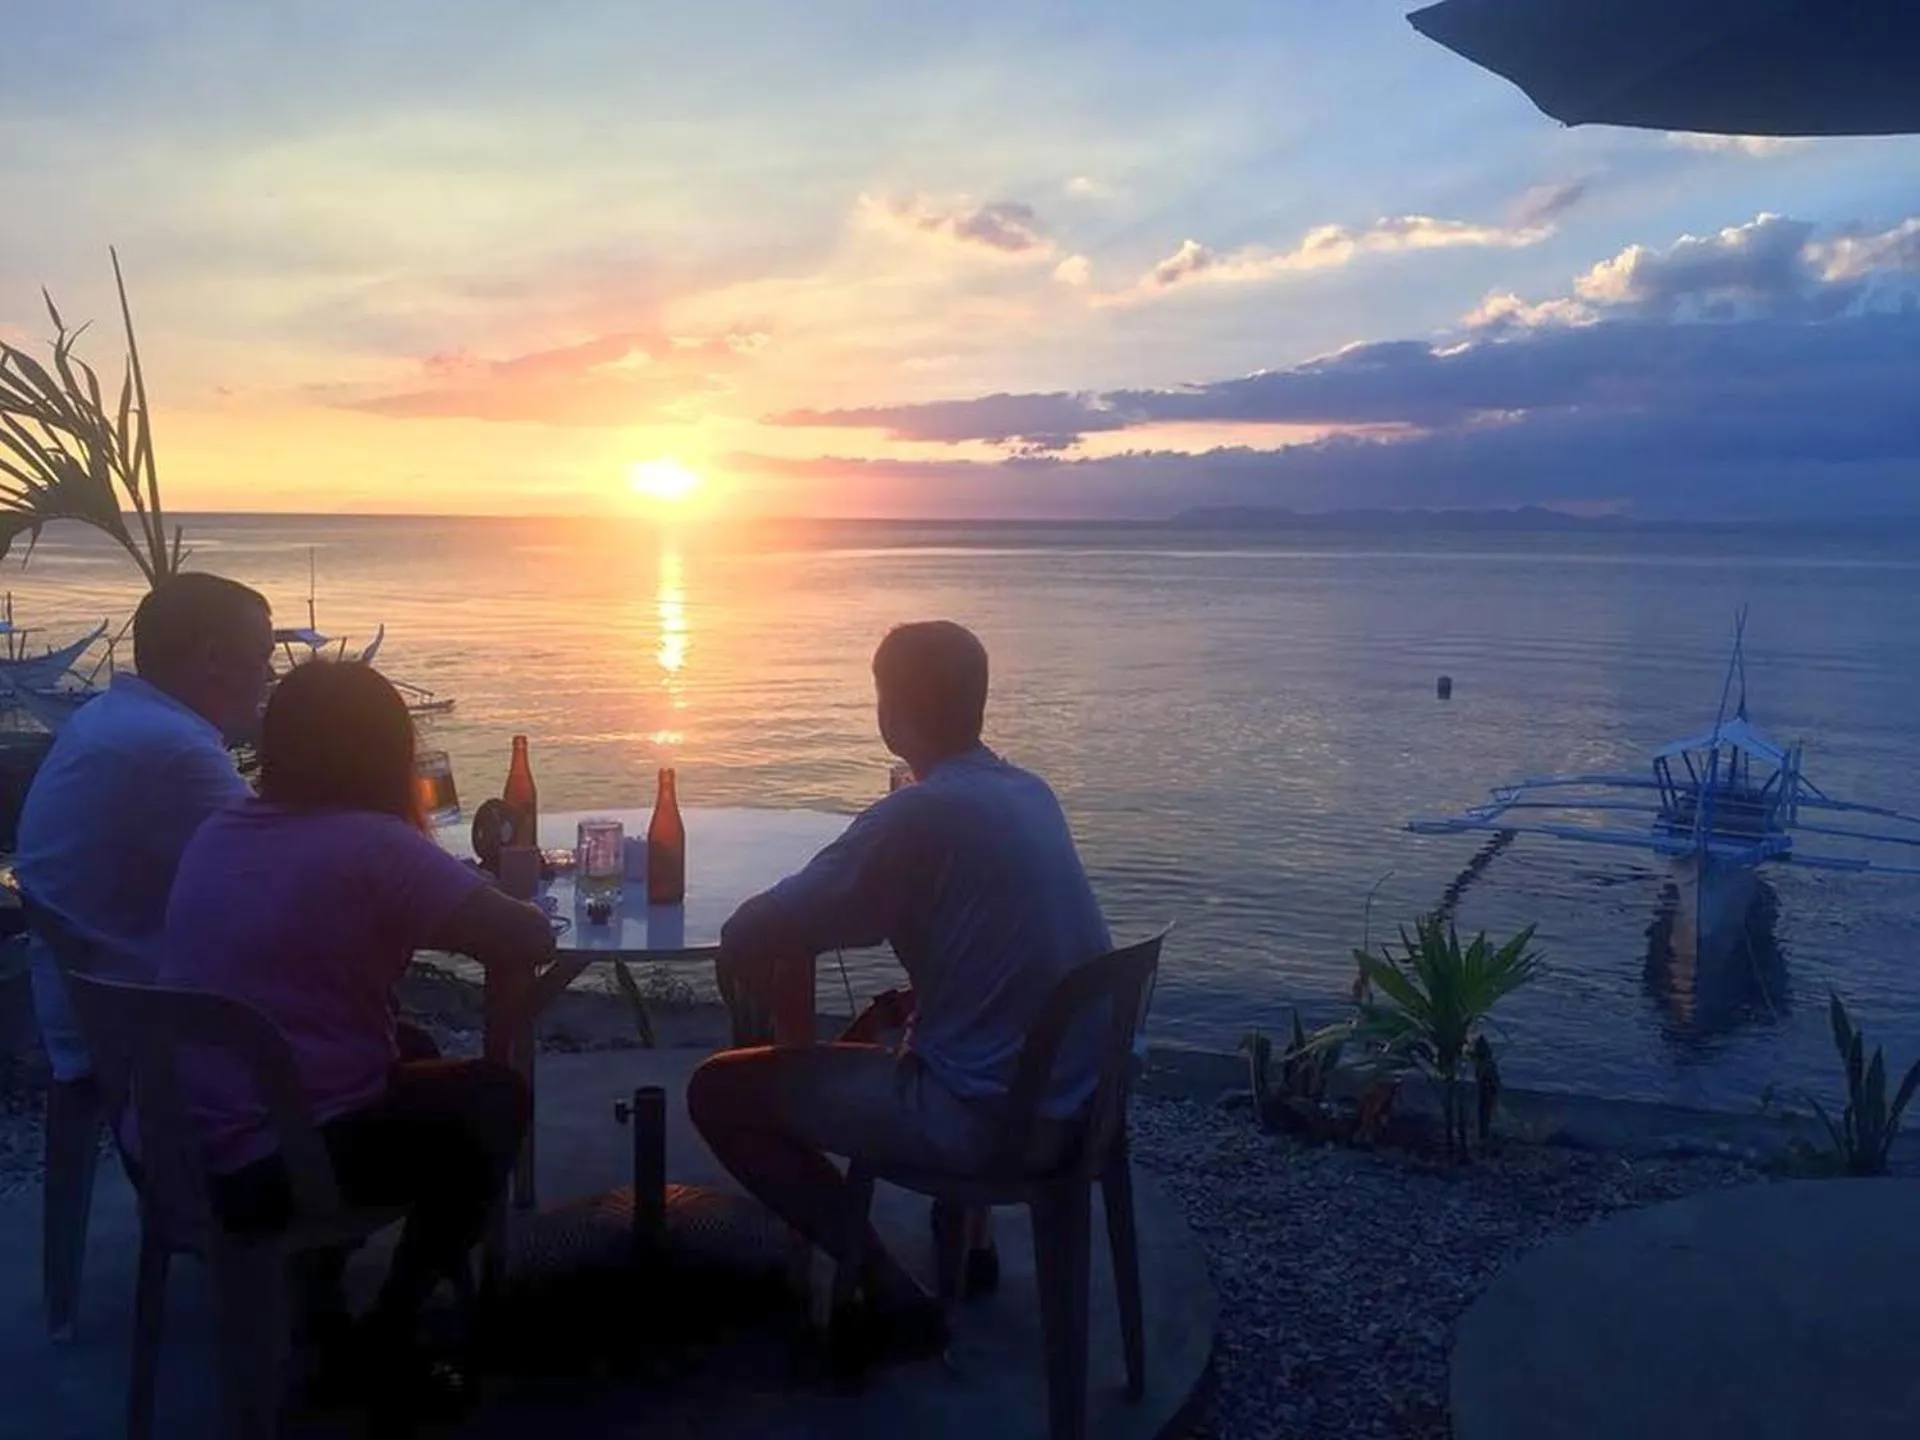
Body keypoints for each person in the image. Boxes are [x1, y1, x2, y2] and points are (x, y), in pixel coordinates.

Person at [687, 620, 1112, 1368]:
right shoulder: (1027, 791)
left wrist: (748, 940)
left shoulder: (920, 814)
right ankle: (954, 1248)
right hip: (1081, 1102)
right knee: (889, 1015)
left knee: (721, 1092)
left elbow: (771, 924)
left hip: (986, 1119)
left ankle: (888, 1290)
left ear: (892, 709)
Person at [159, 659, 553, 1411]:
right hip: (272, 1166)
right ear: (386, 749)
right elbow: (524, 941)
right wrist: (496, 888)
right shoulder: (374, 844)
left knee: (415, 1050)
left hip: (183, 1144)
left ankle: (317, 1293)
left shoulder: (224, 825)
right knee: (496, 1098)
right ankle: (390, 1327)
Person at [15, 572, 275, 1081]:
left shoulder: (110, 716)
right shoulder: (172, 747)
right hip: (143, 1021)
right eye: (262, 657)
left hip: (83, 1002)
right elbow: (278, 876)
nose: (268, 676)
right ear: (213, 658)